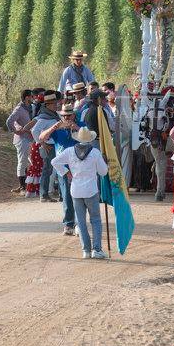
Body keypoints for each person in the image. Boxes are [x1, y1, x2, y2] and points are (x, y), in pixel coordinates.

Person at [51, 126, 109, 259]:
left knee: (81, 222)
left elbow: (54, 161)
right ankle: (97, 249)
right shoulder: (95, 152)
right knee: (95, 220)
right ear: (90, 139)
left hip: (76, 190)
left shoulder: (70, 151)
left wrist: (66, 172)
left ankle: (86, 251)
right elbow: (103, 172)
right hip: (91, 190)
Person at [38, 104, 80, 235]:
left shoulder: (80, 124)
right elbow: (41, 138)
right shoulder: (57, 128)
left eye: (69, 115)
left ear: (74, 115)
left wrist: (76, 128)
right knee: (67, 195)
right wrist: (54, 127)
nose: (66, 118)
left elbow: (89, 137)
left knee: (79, 195)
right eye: (64, 116)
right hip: (63, 166)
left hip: (79, 165)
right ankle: (68, 224)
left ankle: (79, 223)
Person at [31, 90, 63, 202]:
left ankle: (59, 194)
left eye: (56, 103)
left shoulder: (53, 115)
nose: (56, 105)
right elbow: (34, 131)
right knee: (47, 170)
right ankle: (43, 194)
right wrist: (42, 143)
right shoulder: (44, 117)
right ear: (48, 105)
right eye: (54, 104)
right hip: (49, 146)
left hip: (56, 145)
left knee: (57, 169)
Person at [6, 89, 34, 195]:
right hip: (22, 139)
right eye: (31, 96)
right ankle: (22, 187)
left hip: (29, 138)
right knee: (22, 162)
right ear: (27, 97)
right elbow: (9, 121)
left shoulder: (29, 107)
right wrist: (16, 131)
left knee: (30, 162)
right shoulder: (19, 109)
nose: (33, 98)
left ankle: (27, 185)